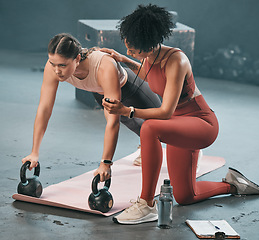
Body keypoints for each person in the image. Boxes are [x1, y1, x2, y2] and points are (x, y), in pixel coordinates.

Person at [101, 4, 259, 225]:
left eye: (132, 50)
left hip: (201, 123)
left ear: (148, 44)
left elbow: (165, 112)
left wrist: (127, 111)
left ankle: (146, 204)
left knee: (149, 127)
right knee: (186, 197)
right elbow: (152, 77)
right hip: (179, 125)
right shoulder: (150, 57)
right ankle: (233, 184)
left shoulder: (176, 61)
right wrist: (125, 60)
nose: (129, 51)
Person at [21, 33, 161, 182]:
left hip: (132, 88)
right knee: (135, 125)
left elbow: (112, 123)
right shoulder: (52, 68)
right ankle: (145, 144)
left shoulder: (103, 66)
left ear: (77, 59)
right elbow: (44, 109)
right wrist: (34, 152)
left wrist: (105, 163)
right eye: (53, 63)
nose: (56, 71)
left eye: (62, 65)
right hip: (101, 93)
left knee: (163, 125)